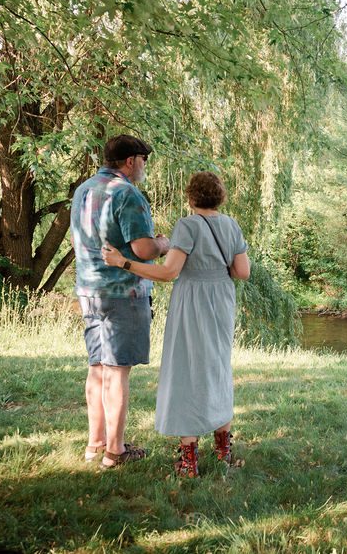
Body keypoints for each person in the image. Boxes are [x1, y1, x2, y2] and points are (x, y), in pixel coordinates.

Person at [101, 171, 250, 478]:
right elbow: (242, 272)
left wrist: (123, 262)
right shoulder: (231, 225)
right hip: (221, 298)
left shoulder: (187, 226)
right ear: (220, 197)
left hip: (193, 300)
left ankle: (188, 459)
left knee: (187, 370)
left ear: (191, 197)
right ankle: (222, 448)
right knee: (217, 366)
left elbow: (169, 273)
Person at [70, 134, 169, 469]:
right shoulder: (127, 194)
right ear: (131, 161)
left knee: (97, 368)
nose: (144, 166)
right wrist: (164, 244)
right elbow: (143, 250)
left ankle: (94, 444)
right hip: (123, 292)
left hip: (89, 290)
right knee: (118, 371)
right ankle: (115, 451)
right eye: (144, 160)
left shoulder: (83, 190)